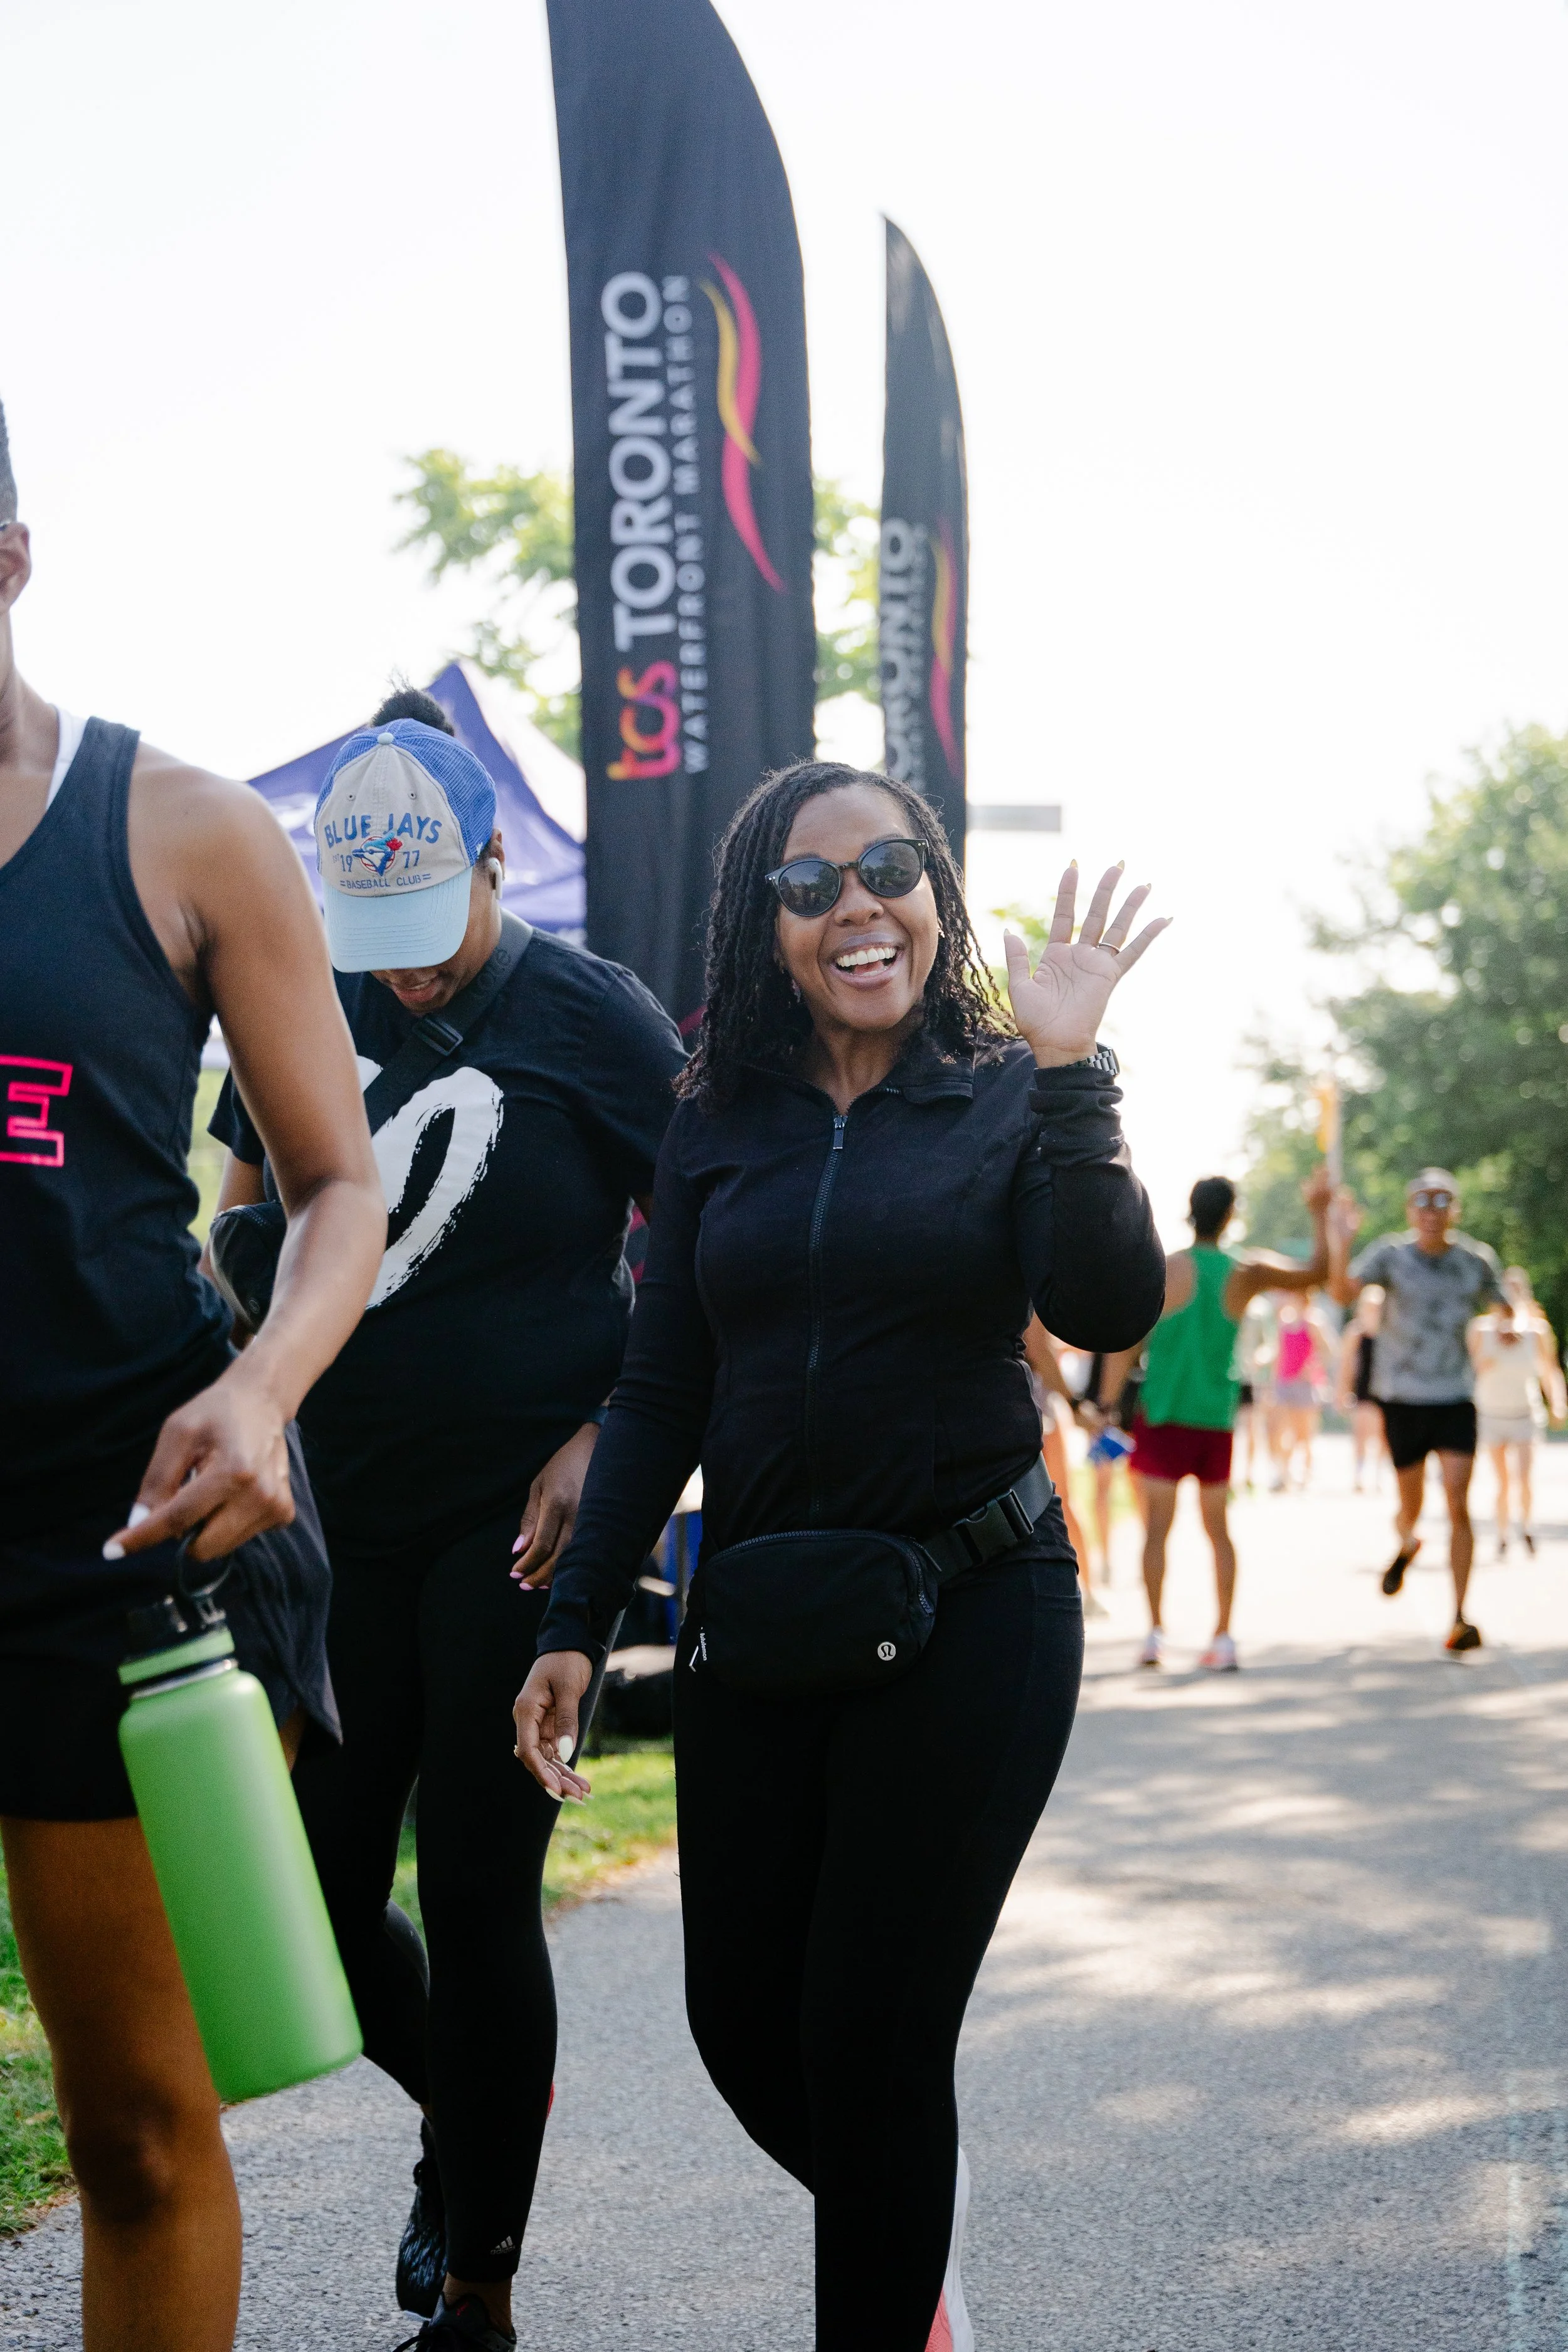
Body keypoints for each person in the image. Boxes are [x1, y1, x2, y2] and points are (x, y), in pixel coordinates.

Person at [513, 769, 1167, 2352]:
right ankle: (903, 2219)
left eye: (887, 868)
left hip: (975, 1604)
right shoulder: (713, 1110)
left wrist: (1074, 1071)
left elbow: (1104, 1303)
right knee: (743, 2023)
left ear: (934, 893)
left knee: (872, 2037)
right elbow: (664, 1383)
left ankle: (886, 2267)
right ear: (768, 922)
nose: (855, 902)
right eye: (811, 885)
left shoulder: (1015, 1087)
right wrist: (579, 1622)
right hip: (767, 1613)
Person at [208, 692, 684, 2351]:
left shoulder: (591, 1016)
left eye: (432, 933)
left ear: (493, 863)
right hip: (333, 1522)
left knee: (480, 1896)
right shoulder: (306, 986)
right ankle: (460, 2118)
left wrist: (602, 1431)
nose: (404, 975)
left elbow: (706, 1251)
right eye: (376, 940)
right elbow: (242, 1213)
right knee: (318, 1904)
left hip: (516, 1531)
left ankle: (478, 2276)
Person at [0, 401, 386, 2352]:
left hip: (116, 1551)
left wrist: (266, 1389)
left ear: (9, 555)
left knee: (141, 2133)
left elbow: (334, 1185)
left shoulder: (181, 828)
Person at [1110, 1168, 1337, 1673]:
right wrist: (1321, 1212)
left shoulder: (1162, 1269)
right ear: (1231, 1215)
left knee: (1156, 1532)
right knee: (1219, 1531)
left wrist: (1105, 1406)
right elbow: (1317, 1273)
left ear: (1190, 1212)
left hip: (1164, 1415)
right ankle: (1224, 1636)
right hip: (1214, 1419)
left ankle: (1153, 1634)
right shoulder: (1246, 1272)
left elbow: (1126, 1344)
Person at [1330, 1170, 1503, 1653]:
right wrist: (1341, 1240)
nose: (1432, 1212)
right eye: (1423, 1203)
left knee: (1457, 1502)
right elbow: (1342, 1293)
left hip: (1454, 1397)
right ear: (1411, 1211)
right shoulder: (1391, 1255)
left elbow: (1508, 1306)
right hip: (1402, 1398)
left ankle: (1460, 1617)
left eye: (1442, 1202)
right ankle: (1408, 1542)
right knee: (1411, 1508)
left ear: (1455, 1210)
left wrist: (1510, 1325)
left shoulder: (1475, 1261)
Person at [1471, 1288, 1564, 1556]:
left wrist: (1557, 1402)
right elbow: (1466, 1368)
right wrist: (1484, 1362)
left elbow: (1550, 1370)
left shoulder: (1536, 1332)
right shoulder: (1481, 1330)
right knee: (1502, 1481)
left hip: (1525, 1414)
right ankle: (1502, 1533)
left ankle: (1526, 1525)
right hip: (1492, 1414)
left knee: (1524, 1476)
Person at [1022, 1319, 1106, 1616]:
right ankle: (1088, 1590)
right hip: (1033, 1407)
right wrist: (1073, 1404)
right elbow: (1038, 1349)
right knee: (1060, 1501)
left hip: (1010, 1406)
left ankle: (1088, 1588)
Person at [1268, 1293, 1333, 1492]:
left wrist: (1313, 1368)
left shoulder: (1314, 1322)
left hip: (1306, 1385)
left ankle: (1306, 1474)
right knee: (1279, 1430)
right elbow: (1279, 1354)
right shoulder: (1283, 1322)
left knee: (1304, 1434)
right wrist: (1272, 1384)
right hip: (1284, 1384)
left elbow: (1329, 1351)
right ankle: (1284, 1473)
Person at [1335, 1285, 1385, 1492]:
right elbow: (1346, 1363)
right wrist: (1342, 1391)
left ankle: (1379, 1474)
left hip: (1386, 1391)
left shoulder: (1390, 1331)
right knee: (1361, 1433)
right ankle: (1359, 1473)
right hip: (1363, 1389)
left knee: (1383, 1436)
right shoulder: (1356, 1332)